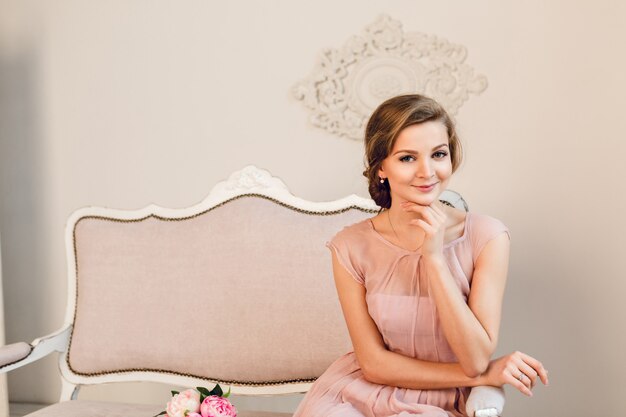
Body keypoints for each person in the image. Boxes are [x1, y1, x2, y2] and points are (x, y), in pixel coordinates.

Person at [293, 94, 548, 417]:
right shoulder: (349, 245)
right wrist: (487, 375)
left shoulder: (488, 237)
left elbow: (475, 358)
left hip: (439, 402)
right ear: (381, 167)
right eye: (407, 158)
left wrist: (435, 260)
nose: (427, 172)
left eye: (438, 154)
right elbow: (373, 364)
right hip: (355, 395)